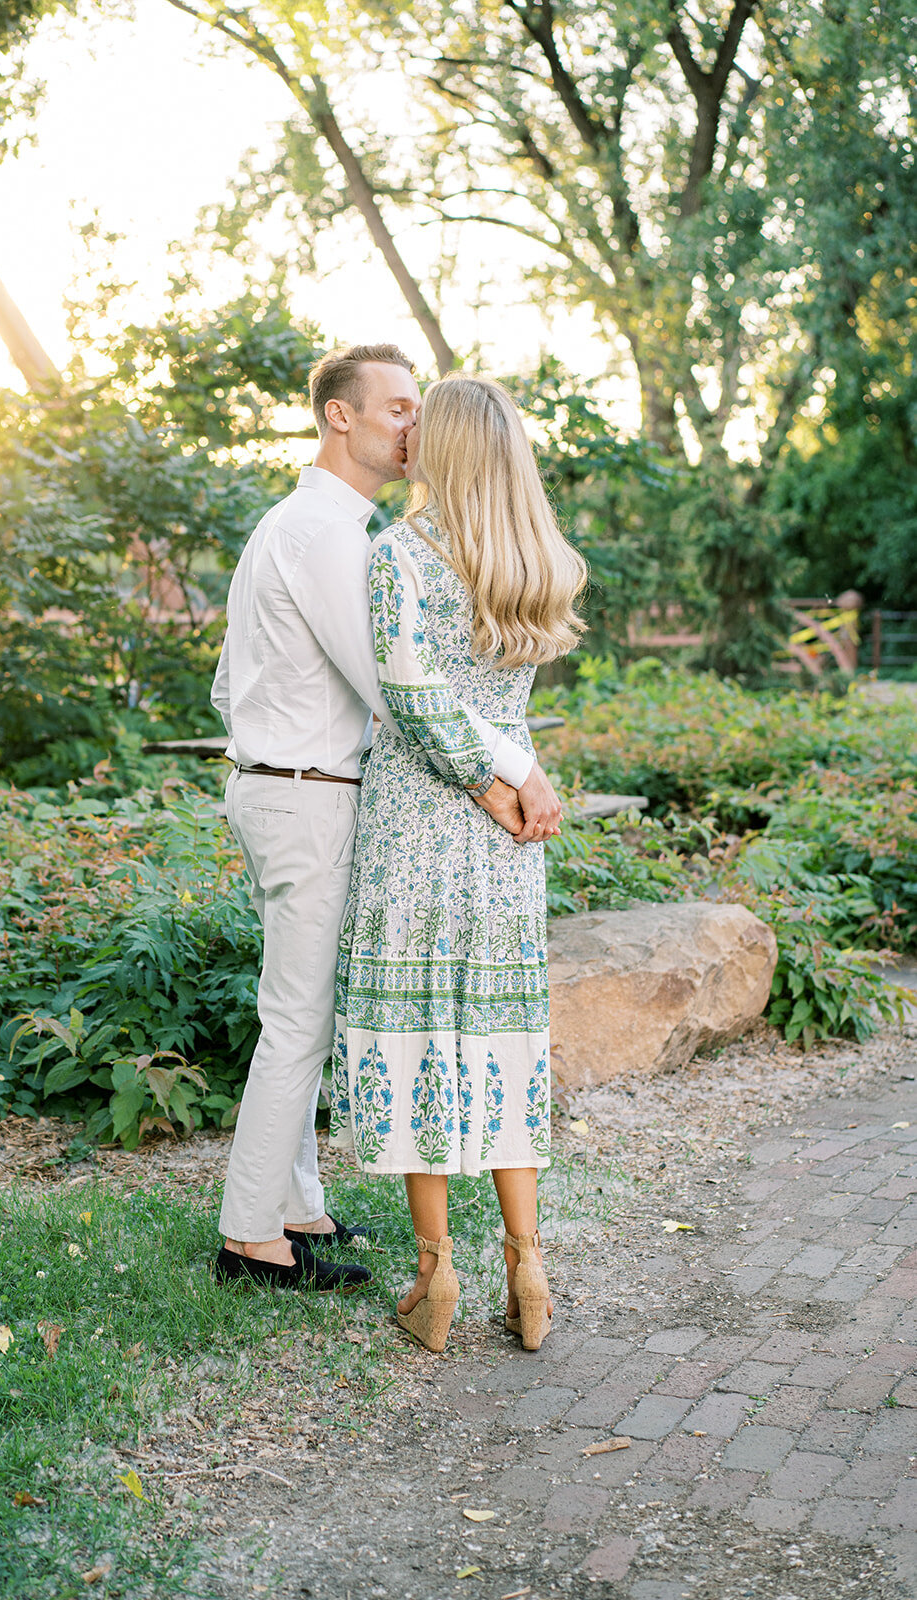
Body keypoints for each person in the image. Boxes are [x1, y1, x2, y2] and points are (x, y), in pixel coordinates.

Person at [210, 344, 565, 1291]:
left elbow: (225, 684)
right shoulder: (334, 538)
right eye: (399, 408)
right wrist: (506, 773)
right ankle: (251, 1238)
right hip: (313, 792)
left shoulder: (296, 523)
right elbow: (402, 685)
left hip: (285, 784)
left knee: (299, 1011)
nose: (414, 426)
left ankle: (294, 1208)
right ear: (342, 417)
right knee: (298, 1020)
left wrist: (267, 755)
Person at [330, 372, 587, 1348]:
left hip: (418, 830)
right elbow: (498, 699)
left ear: (438, 448)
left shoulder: (395, 554)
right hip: (509, 842)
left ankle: (434, 1277)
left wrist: (487, 778)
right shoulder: (537, 558)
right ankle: (528, 1271)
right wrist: (520, 777)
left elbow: (415, 696)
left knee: (416, 1043)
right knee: (500, 1038)